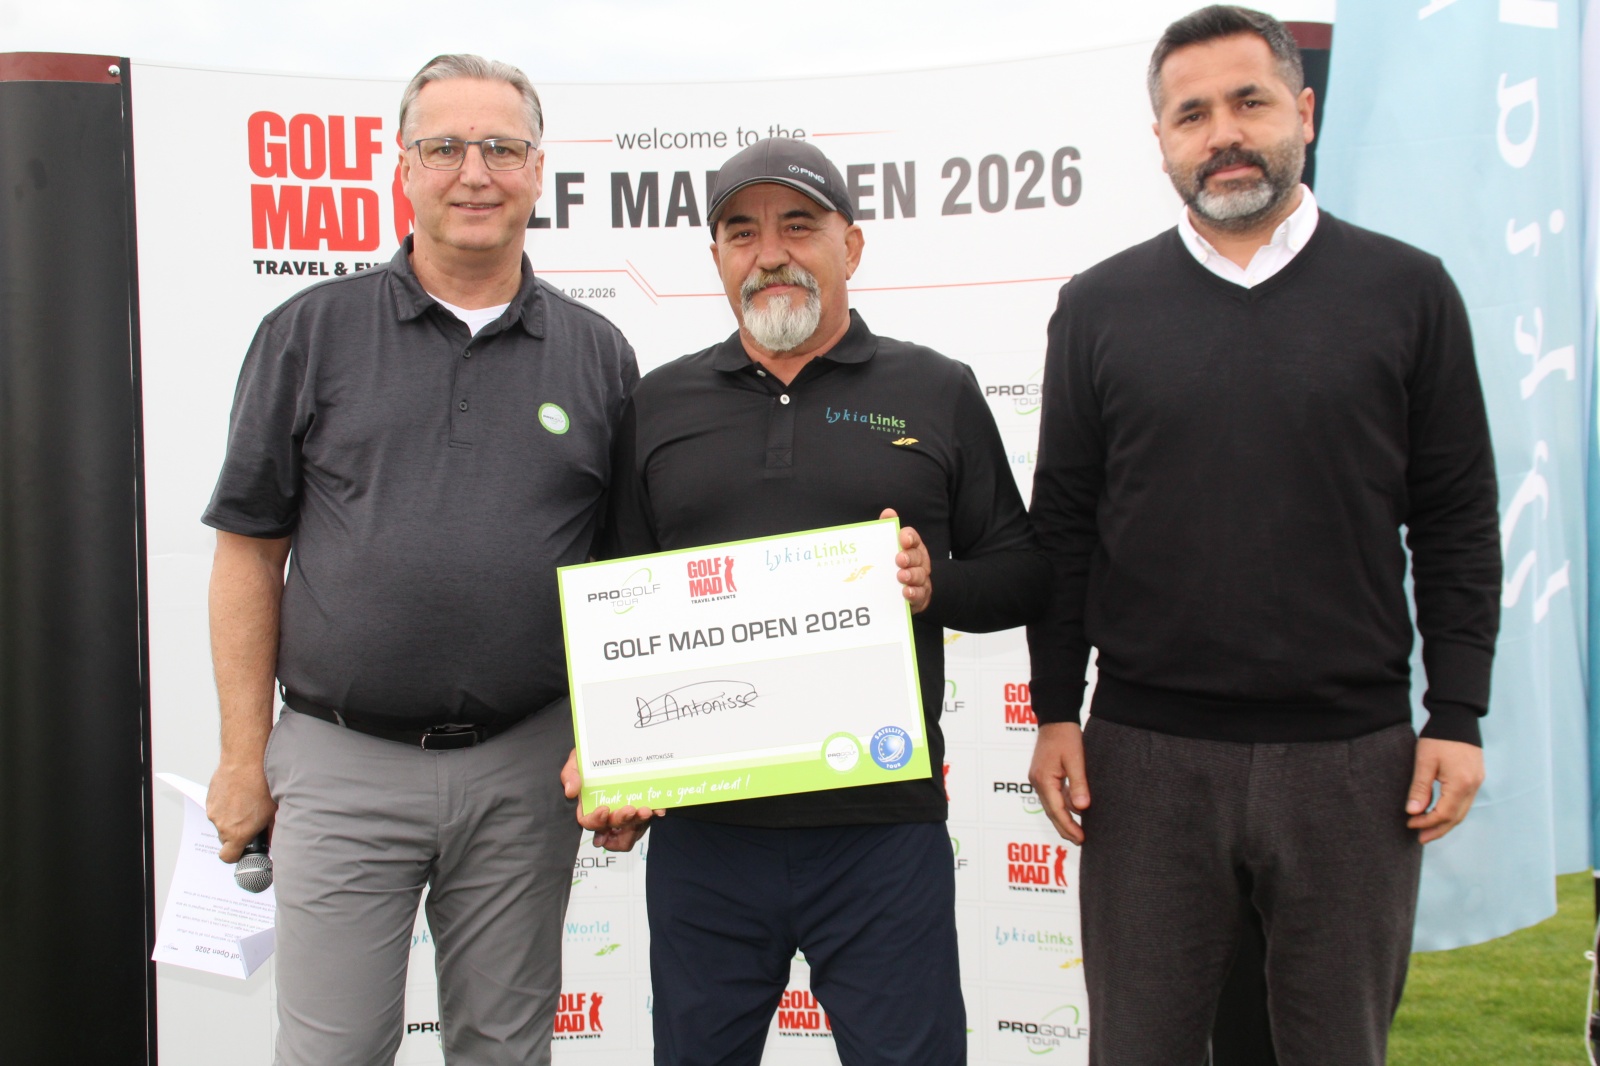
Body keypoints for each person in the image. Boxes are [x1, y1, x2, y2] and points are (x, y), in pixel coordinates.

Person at [1024, 7, 1502, 1064]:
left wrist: (1458, 712)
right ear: (1161, 140)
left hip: (1352, 761)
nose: (1224, 133)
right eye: (1191, 114)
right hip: (1145, 759)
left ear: (1305, 111)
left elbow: (1457, 516)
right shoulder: (1098, 306)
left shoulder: (1409, 291)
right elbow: (1064, 527)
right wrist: (1056, 706)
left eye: (1249, 101)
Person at [562, 137, 1048, 1065]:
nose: (770, 253)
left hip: (881, 834)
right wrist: (614, 764)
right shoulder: (658, 405)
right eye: (741, 233)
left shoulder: (935, 389)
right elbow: (617, 597)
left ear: (850, 246)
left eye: (798, 225)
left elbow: (1024, 572)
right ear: (716, 257)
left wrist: (933, 583)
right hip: (707, 840)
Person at [202, 54, 638, 1066]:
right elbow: (248, 552)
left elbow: (620, 575)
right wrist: (240, 758)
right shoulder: (309, 332)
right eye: (444, 147)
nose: (474, 172)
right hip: (340, 764)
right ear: (402, 168)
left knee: (506, 1049)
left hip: (525, 767)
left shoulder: (598, 353)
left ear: (539, 171)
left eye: (502, 148)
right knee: (332, 1051)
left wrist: (617, 745)